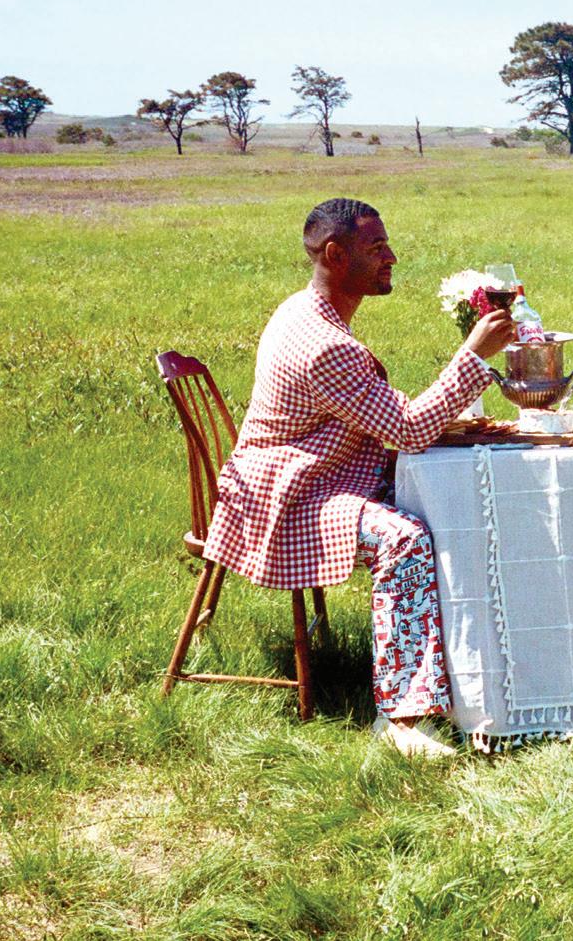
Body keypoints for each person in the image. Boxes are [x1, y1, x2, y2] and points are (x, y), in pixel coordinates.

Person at [203, 198, 514, 756]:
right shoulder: (325, 346)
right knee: (405, 539)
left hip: (318, 474)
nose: (391, 257)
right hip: (287, 496)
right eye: (377, 248)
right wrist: (473, 355)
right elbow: (409, 429)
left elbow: (391, 422)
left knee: (461, 495)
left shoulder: (304, 309)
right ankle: (402, 719)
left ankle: (481, 672)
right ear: (335, 255)